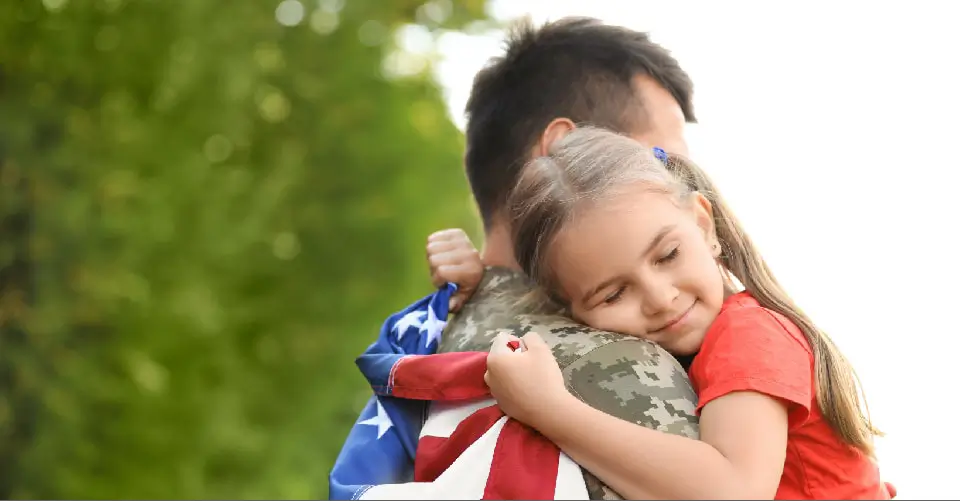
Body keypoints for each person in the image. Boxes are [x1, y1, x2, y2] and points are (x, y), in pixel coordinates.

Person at [428, 127, 891, 500]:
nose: (660, 298)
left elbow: (733, 491)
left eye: (668, 255)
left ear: (704, 225)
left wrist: (548, 408)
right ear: (570, 311)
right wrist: (480, 282)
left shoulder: (750, 333)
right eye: (613, 295)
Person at [427, 16, 701, 500]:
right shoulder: (619, 365)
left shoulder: (435, 334)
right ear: (563, 151)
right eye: (661, 158)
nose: (686, 184)